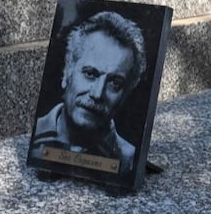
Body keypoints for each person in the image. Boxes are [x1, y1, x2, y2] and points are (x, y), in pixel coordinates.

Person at [31, 11, 148, 174]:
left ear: (125, 95)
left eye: (115, 83)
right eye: (90, 74)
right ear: (67, 73)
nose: (97, 94)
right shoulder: (34, 135)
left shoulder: (129, 160)